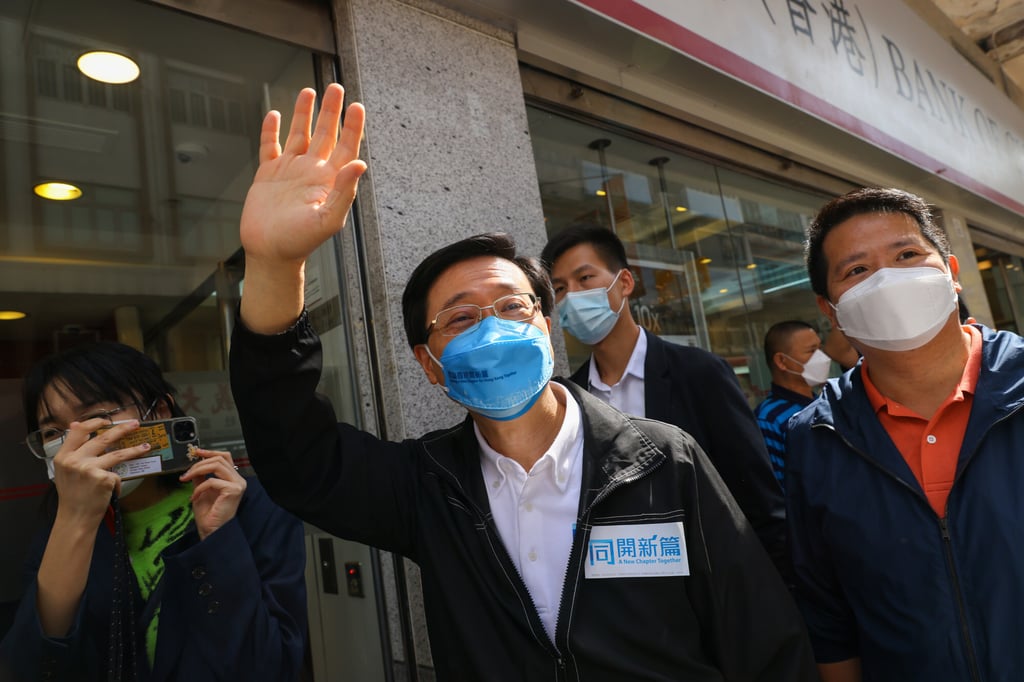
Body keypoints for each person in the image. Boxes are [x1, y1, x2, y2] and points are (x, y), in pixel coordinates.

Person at [228, 84, 817, 680]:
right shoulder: (427, 487)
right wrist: (275, 265)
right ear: (430, 364)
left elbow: (764, 639)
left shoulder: (664, 459)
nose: (492, 328)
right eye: (459, 318)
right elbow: (297, 455)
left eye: (512, 307)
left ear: (547, 325)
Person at [787, 186, 1024, 681]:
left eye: (907, 254)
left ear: (952, 274)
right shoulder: (816, 436)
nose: (889, 279)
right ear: (831, 309)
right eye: (857, 270)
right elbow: (827, 612)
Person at [0, 342, 307, 681]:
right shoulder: (58, 537)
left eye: (95, 418)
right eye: (52, 432)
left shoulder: (252, 506)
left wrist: (218, 540)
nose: (78, 443)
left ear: (159, 412)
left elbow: (267, 669)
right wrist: (76, 519)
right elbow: (31, 668)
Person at [540, 223, 788, 573]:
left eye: (585, 278)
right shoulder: (571, 397)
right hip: (625, 587)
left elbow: (757, 494)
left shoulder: (698, 373)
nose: (573, 296)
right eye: (561, 289)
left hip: (715, 576)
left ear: (624, 282)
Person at [753, 320, 830, 488]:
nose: (822, 358)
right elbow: (778, 488)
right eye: (811, 351)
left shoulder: (826, 402)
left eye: (820, 348)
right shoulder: (768, 419)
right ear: (782, 361)